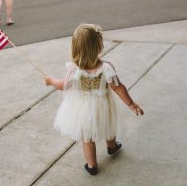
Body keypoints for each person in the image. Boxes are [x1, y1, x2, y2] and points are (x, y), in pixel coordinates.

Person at [44, 24, 144, 175]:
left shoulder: (74, 71)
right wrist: (131, 103)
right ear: (99, 45)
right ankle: (112, 146)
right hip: (103, 104)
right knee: (107, 124)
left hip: (82, 108)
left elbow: (61, 85)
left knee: (87, 137)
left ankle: (92, 165)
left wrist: (50, 80)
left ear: (75, 48)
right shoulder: (106, 67)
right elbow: (118, 87)